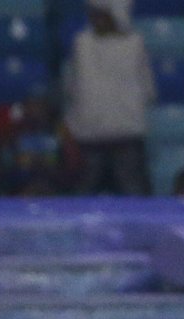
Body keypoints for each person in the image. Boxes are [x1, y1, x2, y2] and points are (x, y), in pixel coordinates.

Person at [63, 0, 154, 196]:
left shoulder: (135, 44)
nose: (97, 19)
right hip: (90, 137)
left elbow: (148, 89)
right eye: (94, 14)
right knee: (85, 194)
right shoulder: (82, 44)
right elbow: (71, 87)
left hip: (126, 135)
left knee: (132, 193)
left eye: (102, 14)